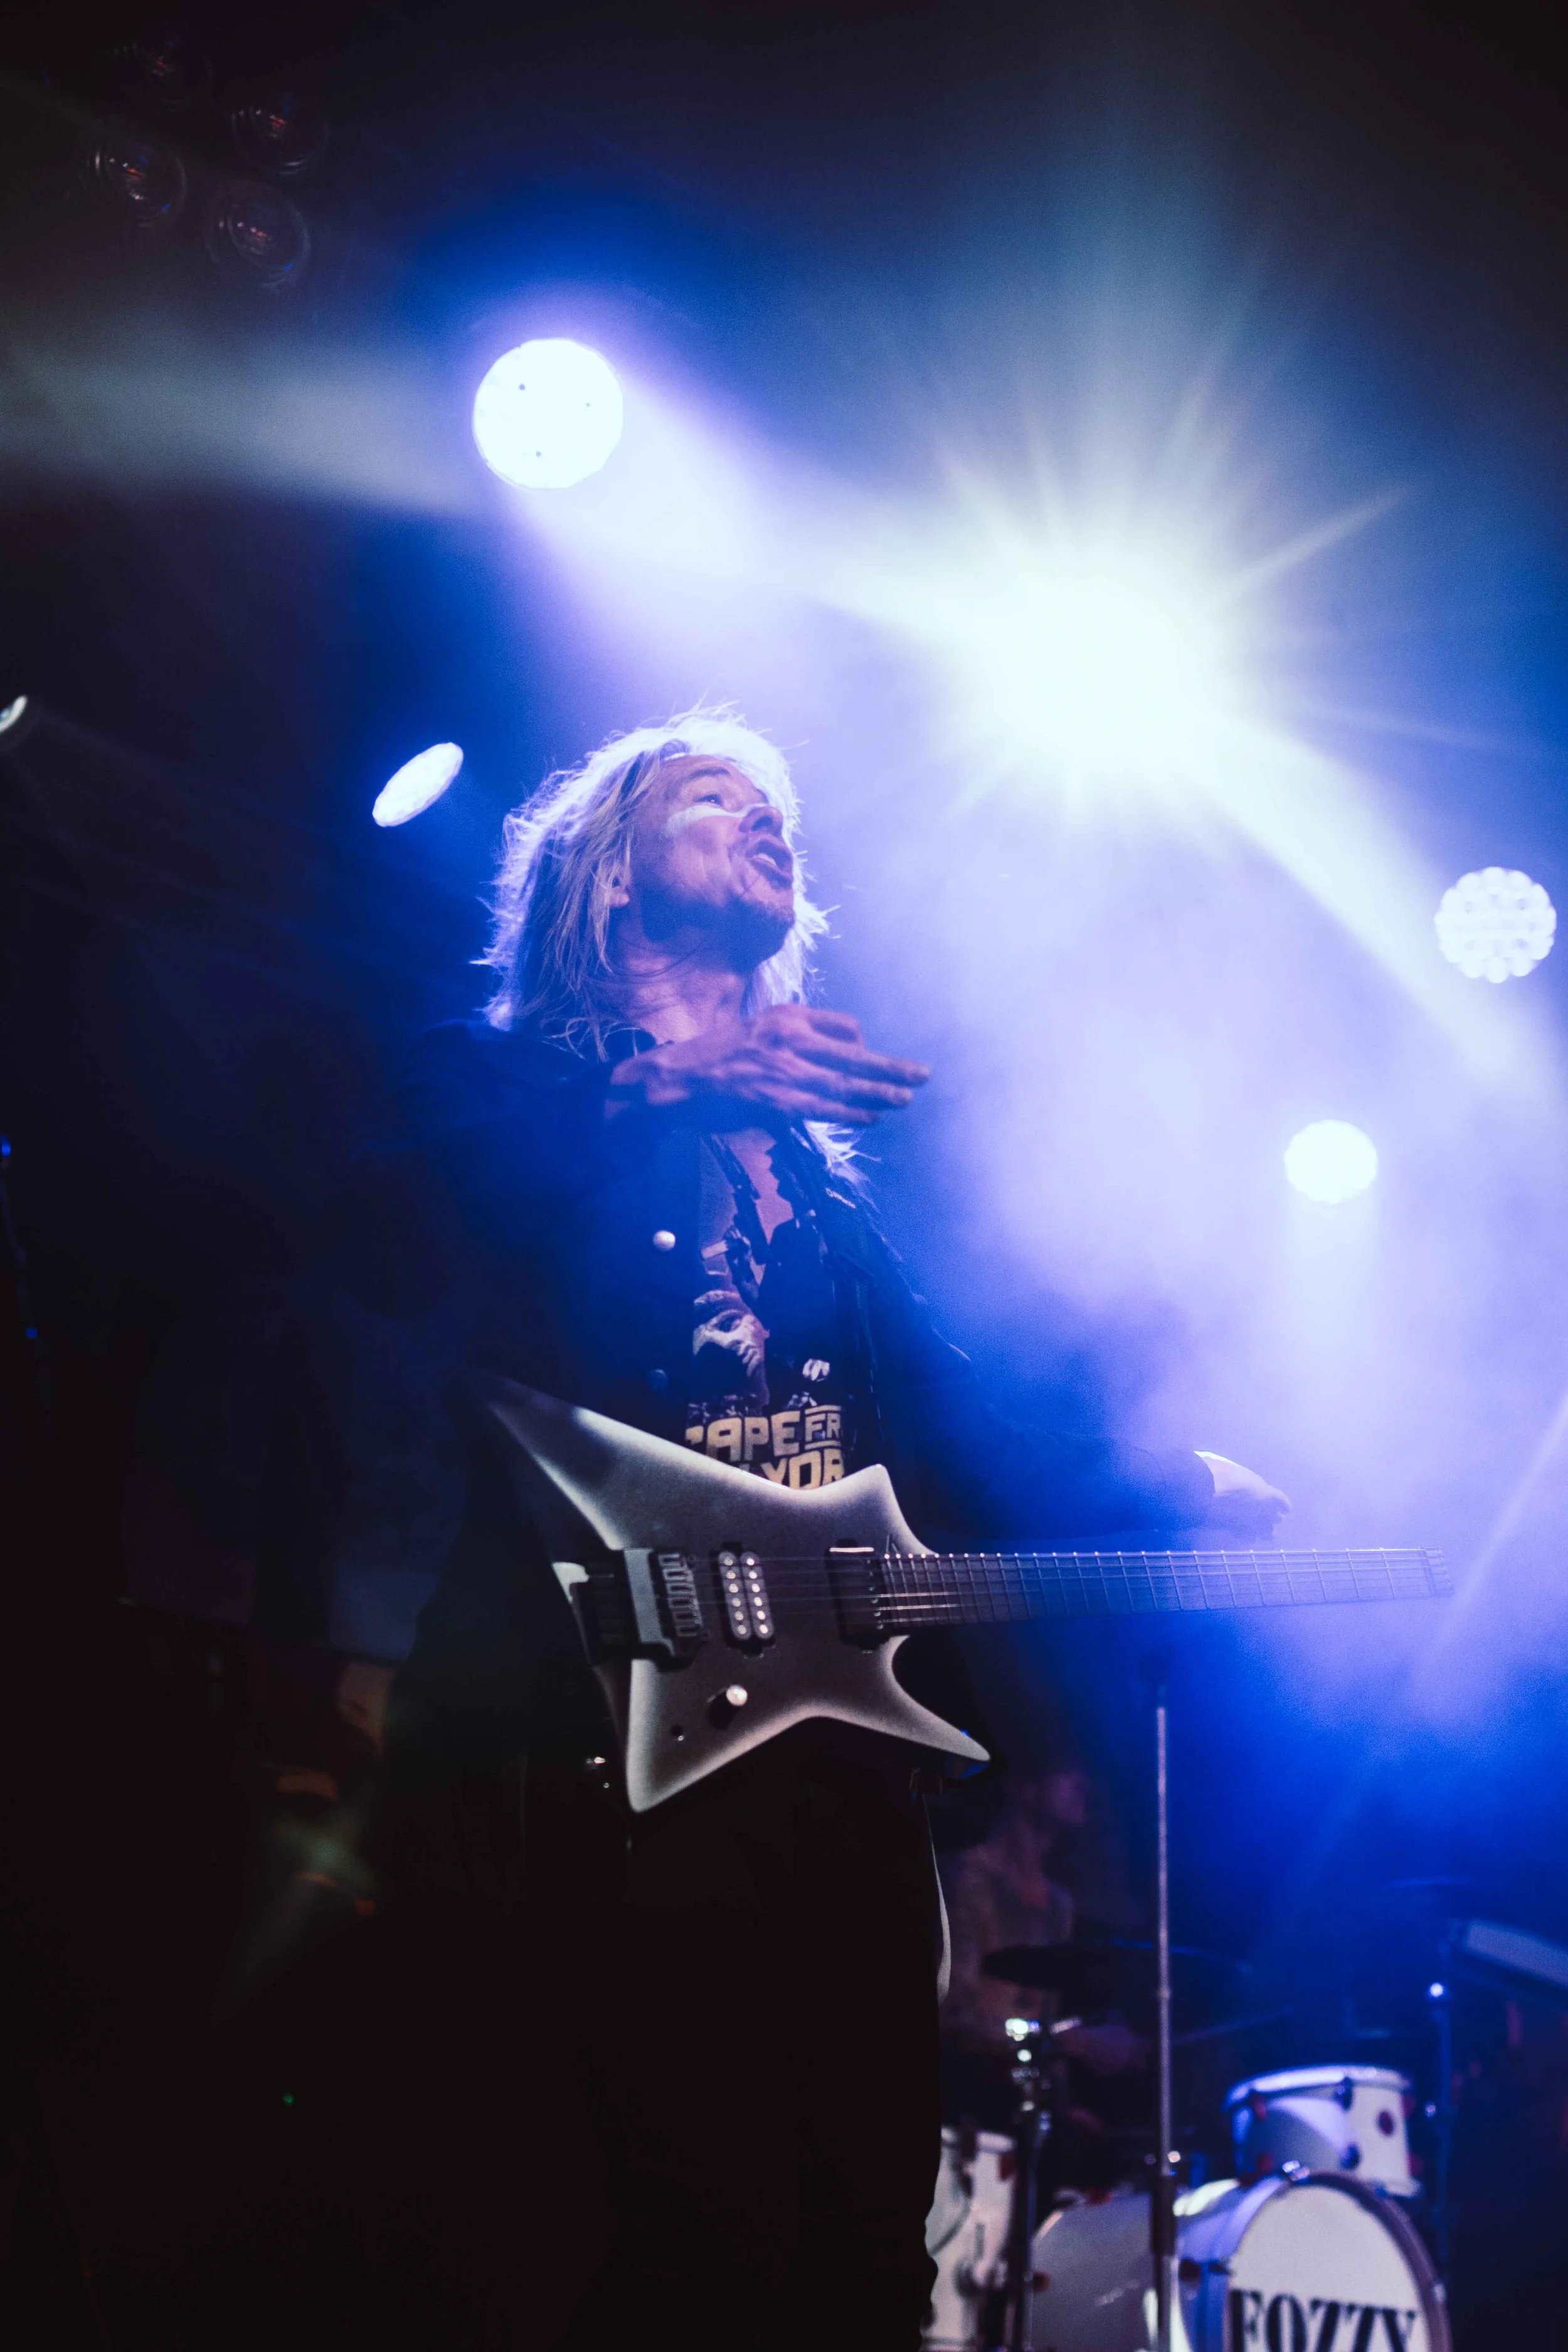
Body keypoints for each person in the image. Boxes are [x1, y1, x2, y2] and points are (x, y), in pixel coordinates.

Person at [337, 710, 1287, 2352]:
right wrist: (652, 1087)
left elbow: (965, 1430)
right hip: (614, 1757)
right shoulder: (493, 1097)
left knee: (862, 2254)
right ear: (608, 876)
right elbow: (402, 1232)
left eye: (778, 811)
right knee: (671, 2245)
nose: (766, 823)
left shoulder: (817, 1174)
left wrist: (1168, 1487)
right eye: (714, 803)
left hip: (838, 1763)